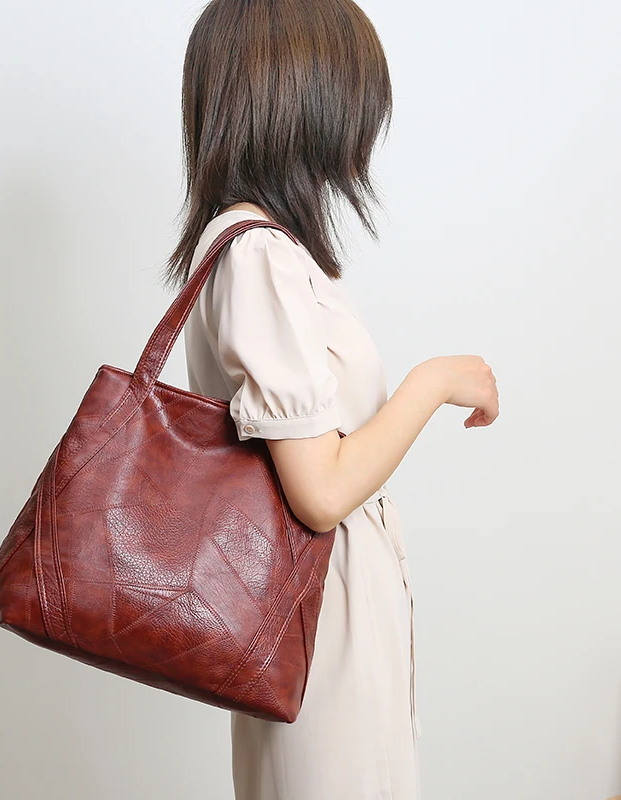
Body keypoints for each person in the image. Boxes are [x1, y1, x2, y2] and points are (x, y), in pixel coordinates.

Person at [162, 2, 499, 799]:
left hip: (315, 619)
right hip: (321, 623)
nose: (361, 123)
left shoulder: (251, 247)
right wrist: (434, 382)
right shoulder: (258, 255)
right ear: (299, 98)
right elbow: (320, 492)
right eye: (352, 95)